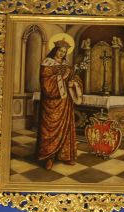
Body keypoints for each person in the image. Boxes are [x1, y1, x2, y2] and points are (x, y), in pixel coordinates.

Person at [36, 39, 83, 170]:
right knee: (49, 129)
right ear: (55, 50)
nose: (62, 53)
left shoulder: (67, 65)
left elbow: (75, 78)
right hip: (51, 102)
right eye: (60, 50)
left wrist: (73, 82)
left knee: (66, 128)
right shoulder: (47, 63)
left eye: (64, 52)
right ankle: (48, 158)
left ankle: (66, 155)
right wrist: (61, 78)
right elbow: (45, 84)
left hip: (65, 102)